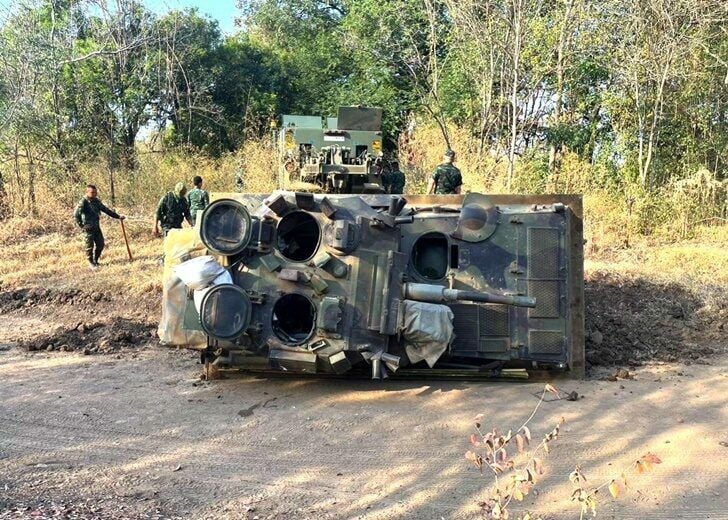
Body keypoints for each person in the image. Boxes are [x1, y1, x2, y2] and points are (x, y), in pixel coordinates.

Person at [73, 184, 125, 270]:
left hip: (96, 227)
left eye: (95, 192)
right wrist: (82, 226)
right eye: (92, 192)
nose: (94, 194)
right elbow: (76, 214)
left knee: (100, 244)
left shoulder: (96, 201)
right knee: (89, 246)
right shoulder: (83, 202)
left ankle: (95, 260)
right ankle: (91, 263)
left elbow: (106, 210)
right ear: (87, 192)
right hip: (88, 228)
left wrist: (118, 216)